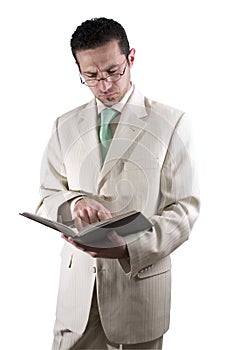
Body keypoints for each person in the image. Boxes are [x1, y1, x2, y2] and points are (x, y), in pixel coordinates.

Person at [37, 17, 200, 350]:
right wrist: (74, 205)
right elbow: (48, 194)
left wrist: (130, 247)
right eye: (92, 76)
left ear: (131, 58)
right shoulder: (64, 125)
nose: (105, 84)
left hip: (138, 289)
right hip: (77, 296)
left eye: (113, 71)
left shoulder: (171, 123)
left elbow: (184, 209)